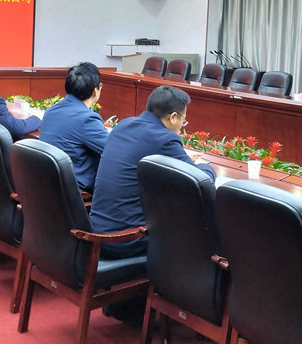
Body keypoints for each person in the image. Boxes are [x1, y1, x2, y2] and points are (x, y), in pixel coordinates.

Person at [89, 84, 216, 259]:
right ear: (173, 117)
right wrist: (205, 165)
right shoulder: (165, 138)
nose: (182, 125)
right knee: (196, 228)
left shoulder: (123, 125)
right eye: (183, 120)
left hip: (96, 233)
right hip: (125, 240)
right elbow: (201, 182)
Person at [39, 62, 109, 192]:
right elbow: (113, 150)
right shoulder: (87, 119)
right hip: (74, 191)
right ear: (95, 91)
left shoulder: (51, 110)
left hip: (48, 186)